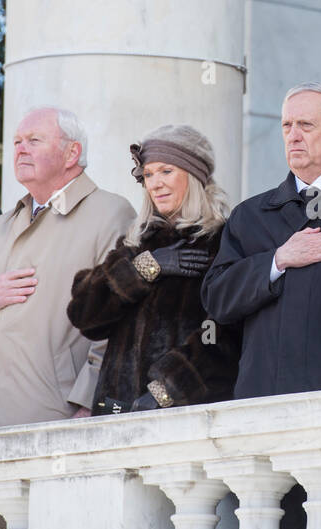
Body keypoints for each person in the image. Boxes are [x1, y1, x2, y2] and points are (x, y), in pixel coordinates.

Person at [0, 107, 135, 428]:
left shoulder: (111, 213)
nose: (20, 148)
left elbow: (122, 324)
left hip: (63, 419)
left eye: (34, 140)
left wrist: (91, 403)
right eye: (17, 141)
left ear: (71, 153)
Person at [201, 82, 321, 399]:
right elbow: (216, 300)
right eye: (287, 125)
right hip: (261, 396)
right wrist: (277, 260)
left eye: (306, 125)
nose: (293, 136)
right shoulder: (250, 215)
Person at [66, 124, 240, 413]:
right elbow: (84, 314)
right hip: (115, 413)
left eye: (166, 171)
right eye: (148, 174)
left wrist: (164, 392)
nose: (155, 183)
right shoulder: (137, 243)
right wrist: (144, 268)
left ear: (194, 175)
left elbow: (225, 337)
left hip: (183, 416)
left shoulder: (222, 241)